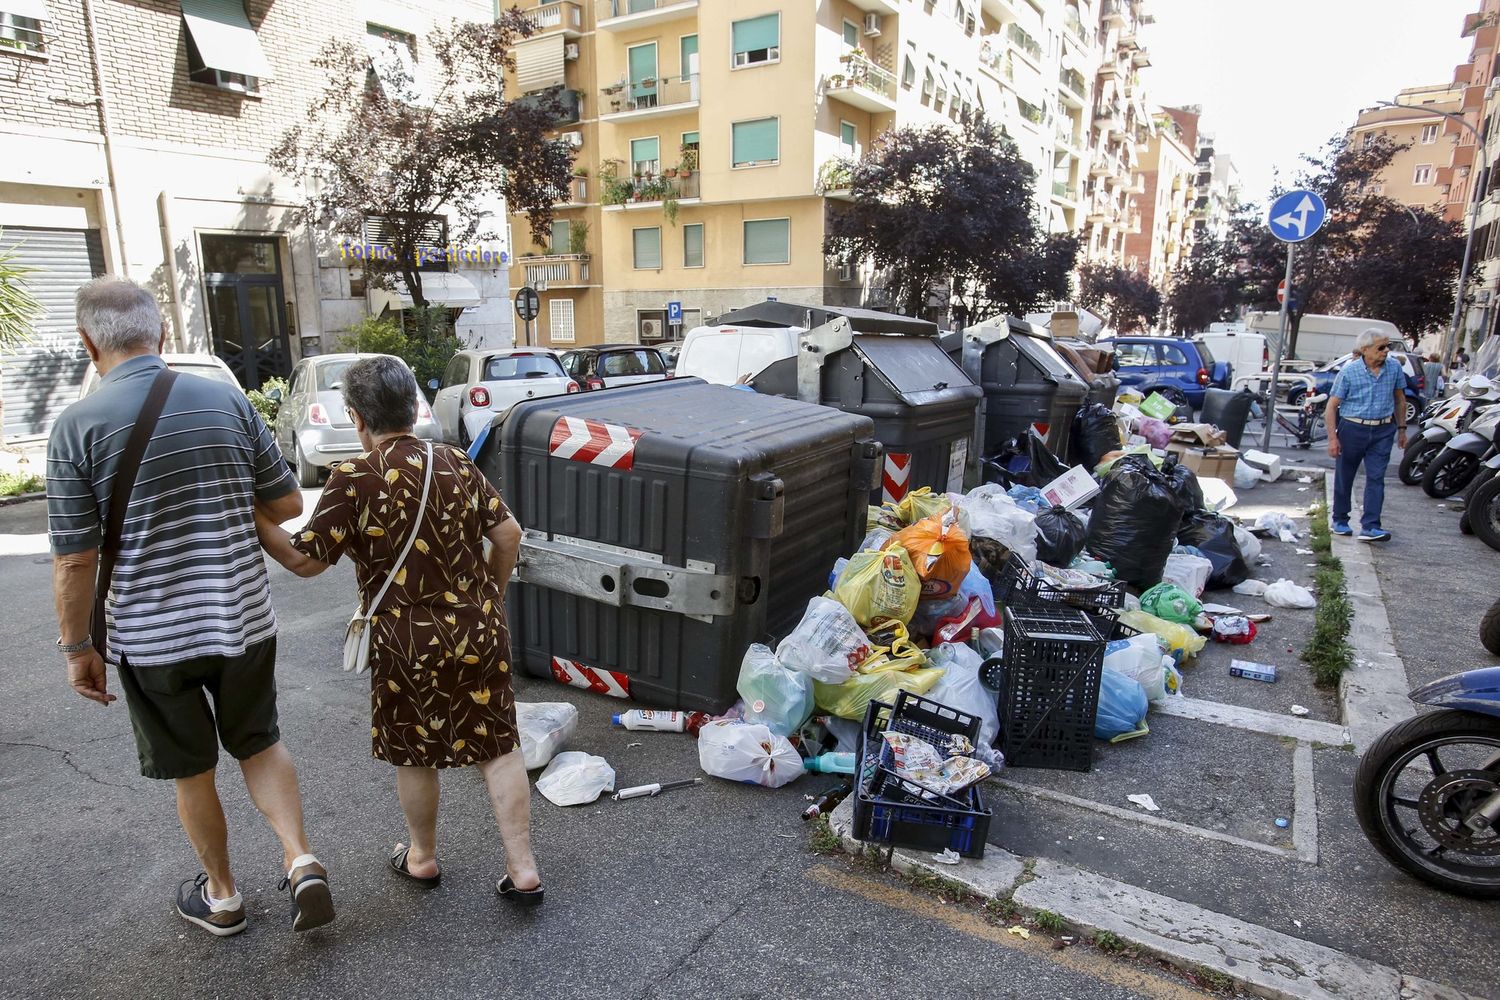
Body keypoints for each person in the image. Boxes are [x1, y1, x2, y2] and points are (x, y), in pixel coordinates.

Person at [47, 278, 332, 937]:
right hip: (244, 620)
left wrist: (77, 650)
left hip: (152, 640)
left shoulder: (77, 426)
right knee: (259, 743)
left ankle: (224, 896)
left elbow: (73, 559)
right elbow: (289, 505)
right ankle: (300, 859)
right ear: (163, 336)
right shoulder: (225, 400)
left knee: (192, 767)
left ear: (90, 344)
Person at [254, 356, 543, 905]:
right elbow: (509, 535)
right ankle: (522, 867)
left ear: (357, 418)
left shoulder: (353, 478)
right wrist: (490, 595)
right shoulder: (455, 461)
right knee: (499, 748)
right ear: (413, 407)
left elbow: (304, 561)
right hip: (478, 627)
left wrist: (253, 514)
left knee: (416, 752)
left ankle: (423, 857)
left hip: (405, 640)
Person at [1325, 328, 1408, 541]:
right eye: (1381, 347)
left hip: (1382, 429)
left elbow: (1400, 399)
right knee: (1345, 475)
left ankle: (1371, 526)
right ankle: (1340, 520)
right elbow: (1331, 406)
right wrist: (1333, 439)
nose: (1386, 351)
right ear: (1365, 349)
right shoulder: (1348, 372)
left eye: (1388, 346)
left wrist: (1401, 428)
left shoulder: (1394, 368)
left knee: (1376, 477)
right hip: (1352, 428)